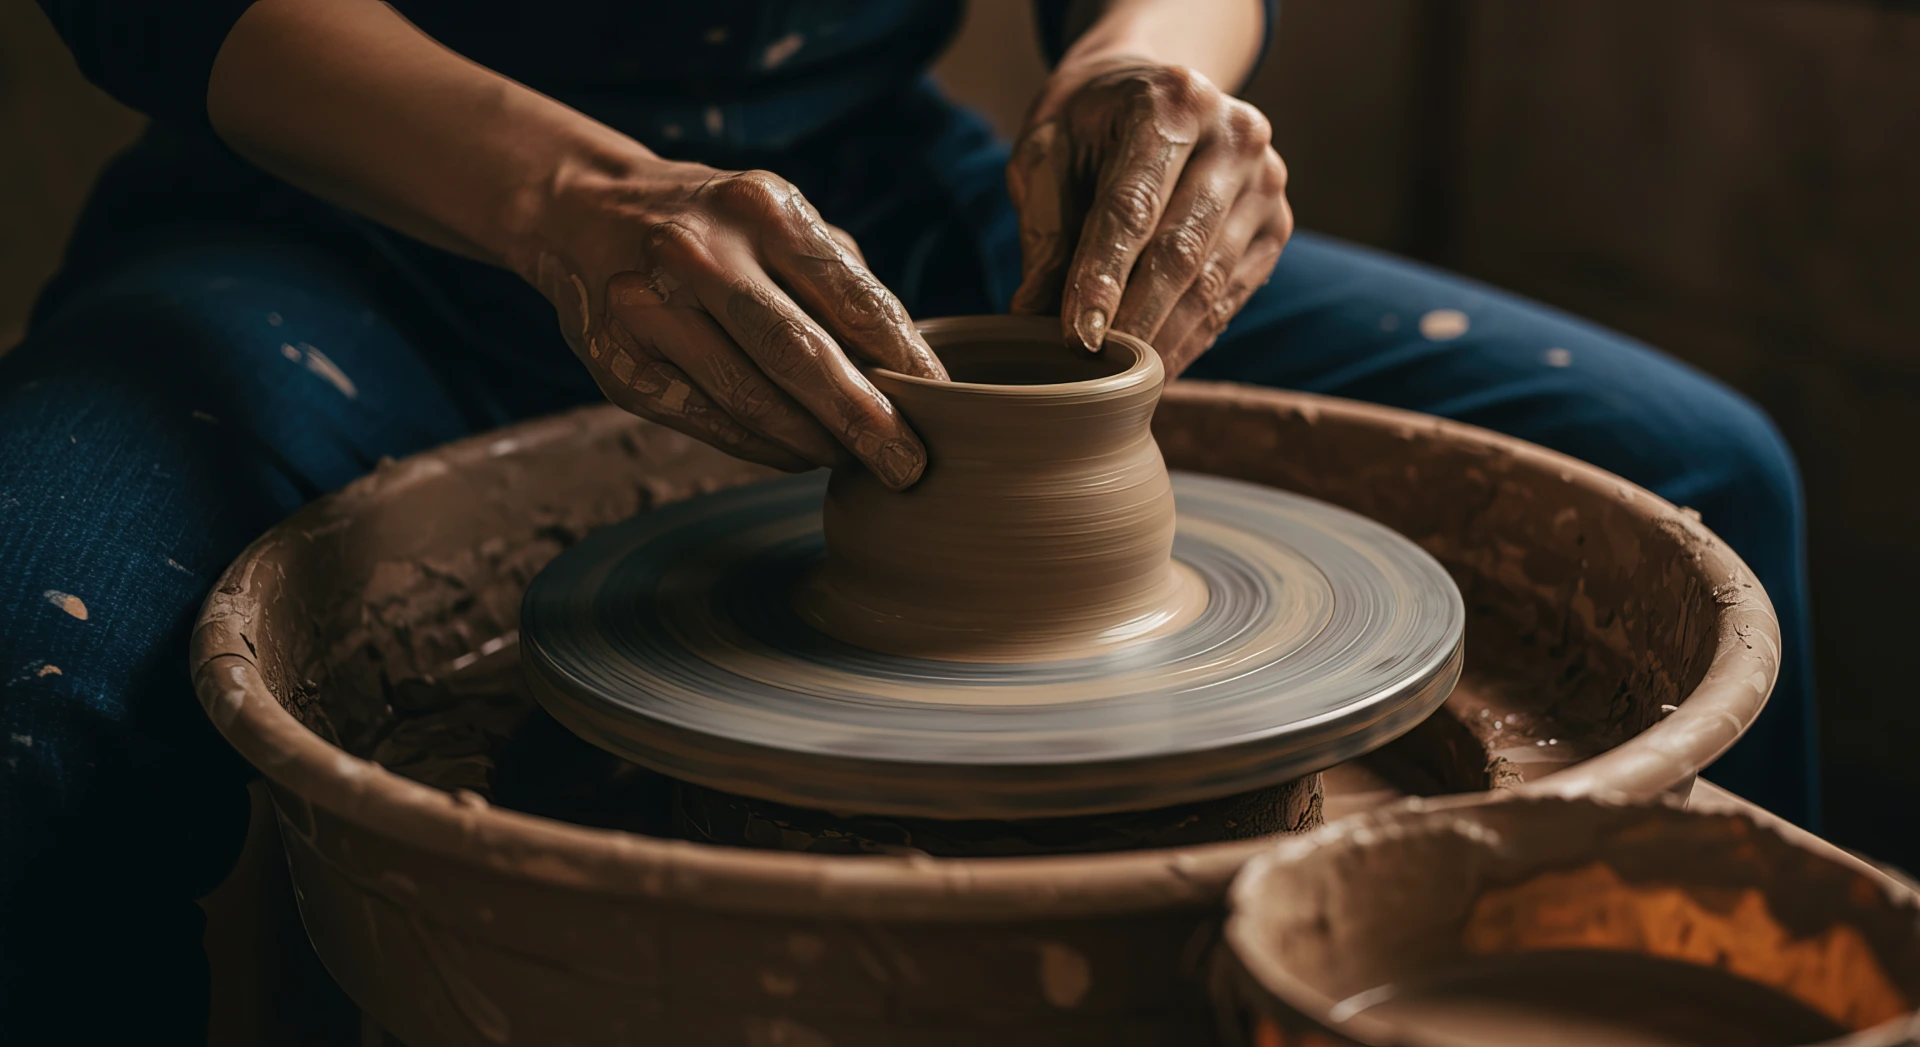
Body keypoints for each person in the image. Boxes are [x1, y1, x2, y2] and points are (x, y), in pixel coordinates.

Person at [5, 0, 1814, 1038]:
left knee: (1696, 468)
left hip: (857, 215)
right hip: (355, 209)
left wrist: (1151, 63)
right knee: (27, 694)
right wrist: (567, 197)